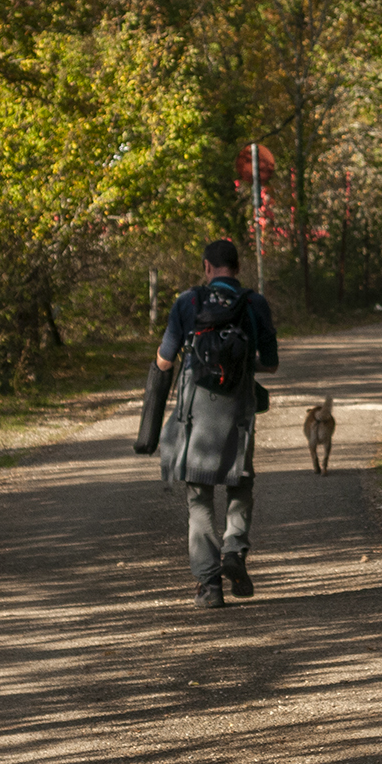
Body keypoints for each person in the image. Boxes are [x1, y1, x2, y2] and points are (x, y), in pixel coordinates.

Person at [134, 239, 278, 608]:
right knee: (240, 482)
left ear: (206, 267)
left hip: (196, 411)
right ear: (238, 268)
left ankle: (209, 584)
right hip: (239, 411)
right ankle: (235, 549)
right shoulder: (253, 303)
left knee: (199, 493)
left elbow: (165, 361)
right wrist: (238, 363)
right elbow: (271, 362)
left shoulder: (188, 302)